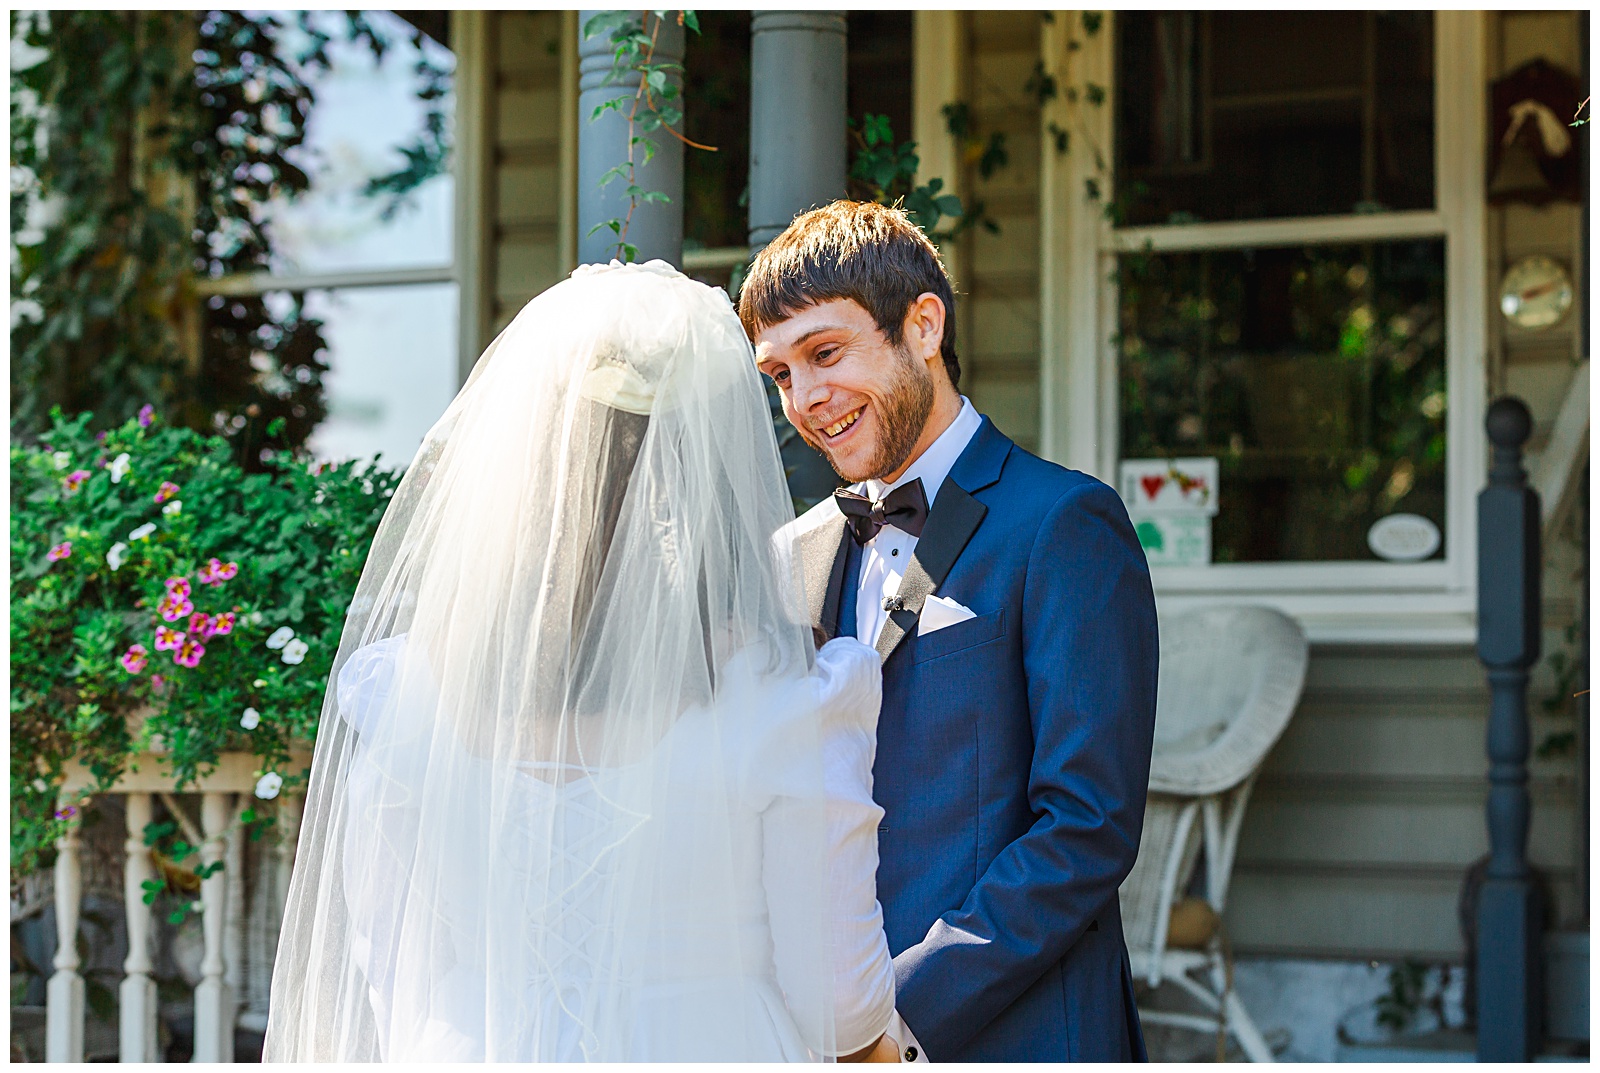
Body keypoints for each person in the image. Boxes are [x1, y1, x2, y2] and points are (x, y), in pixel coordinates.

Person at [265, 261, 901, 1062]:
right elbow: (838, 1003)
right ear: (711, 463)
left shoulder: (405, 699)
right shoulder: (781, 703)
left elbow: (392, 966)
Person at [746, 200, 1160, 1062]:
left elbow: (1087, 824)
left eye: (826, 352)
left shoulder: (1064, 523)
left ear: (923, 326)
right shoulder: (792, 553)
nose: (807, 398)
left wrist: (895, 1019)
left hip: (1017, 1032)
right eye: (781, 374)